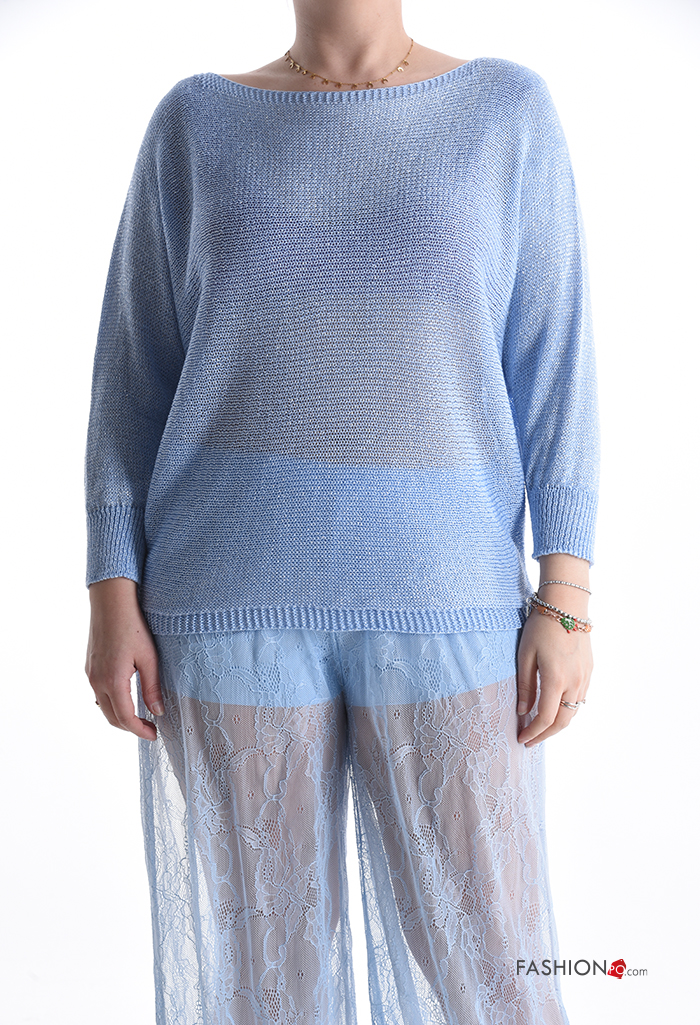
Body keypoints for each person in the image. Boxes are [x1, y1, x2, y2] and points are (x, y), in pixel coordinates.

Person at [84, 1, 599, 1022]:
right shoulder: (194, 122)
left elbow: (555, 362)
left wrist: (567, 594)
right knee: (268, 977)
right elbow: (131, 374)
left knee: (492, 964)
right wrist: (110, 589)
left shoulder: (506, 112)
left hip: (447, 595)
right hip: (227, 598)